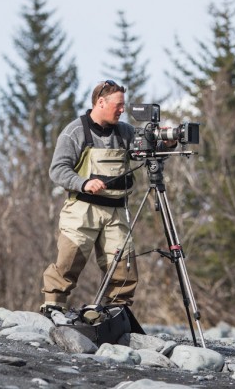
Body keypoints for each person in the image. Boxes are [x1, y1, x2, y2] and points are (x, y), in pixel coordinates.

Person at [41, 80, 175, 314]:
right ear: (101, 102)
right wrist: (83, 183)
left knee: (123, 267)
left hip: (116, 210)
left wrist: (168, 143)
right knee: (68, 261)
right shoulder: (74, 131)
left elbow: (145, 151)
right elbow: (58, 170)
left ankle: (115, 314)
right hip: (82, 210)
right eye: (119, 105)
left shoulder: (125, 131)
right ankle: (53, 309)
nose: (123, 110)